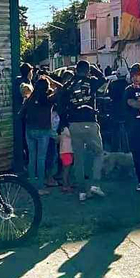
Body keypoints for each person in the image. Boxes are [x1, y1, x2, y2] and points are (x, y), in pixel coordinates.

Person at [58, 60, 109, 201]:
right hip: (90, 121)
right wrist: (94, 68)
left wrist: (65, 123)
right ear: (87, 71)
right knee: (98, 152)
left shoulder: (68, 85)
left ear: (76, 70)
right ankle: (95, 184)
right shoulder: (91, 81)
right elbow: (103, 79)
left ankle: (81, 191)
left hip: (73, 124)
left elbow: (60, 104)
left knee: (78, 158)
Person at [20, 75, 62, 195]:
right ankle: (40, 187)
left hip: (30, 129)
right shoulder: (48, 100)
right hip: (43, 130)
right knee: (41, 159)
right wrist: (51, 80)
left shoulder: (29, 99)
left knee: (32, 158)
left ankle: (32, 185)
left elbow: (21, 114)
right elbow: (62, 88)